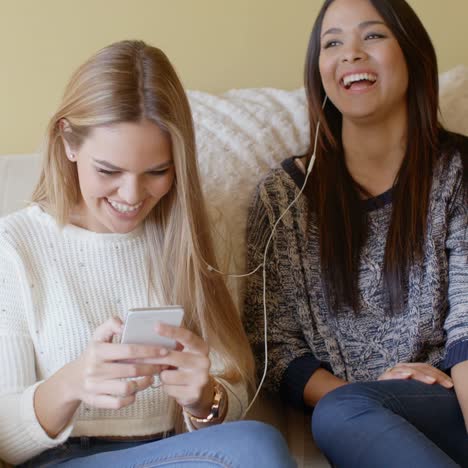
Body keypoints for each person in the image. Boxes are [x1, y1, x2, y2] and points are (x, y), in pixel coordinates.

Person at [0, 40, 295, 468]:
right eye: (109, 171)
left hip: (174, 455)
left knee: (255, 443)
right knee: (255, 448)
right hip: (61, 459)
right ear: (68, 141)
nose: (133, 196)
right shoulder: (15, 243)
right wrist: (71, 383)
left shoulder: (189, 234)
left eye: (157, 172)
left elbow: (229, 394)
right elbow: (4, 442)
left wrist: (202, 399)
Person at [244, 0, 468, 466]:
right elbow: (275, 348)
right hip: (356, 423)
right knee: (340, 410)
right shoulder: (283, 197)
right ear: (319, 70)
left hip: (454, 406)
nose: (350, 53)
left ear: (412, 54)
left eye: (373, 35)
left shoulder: (459, 173)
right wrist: (362, 399)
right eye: (332, 43)